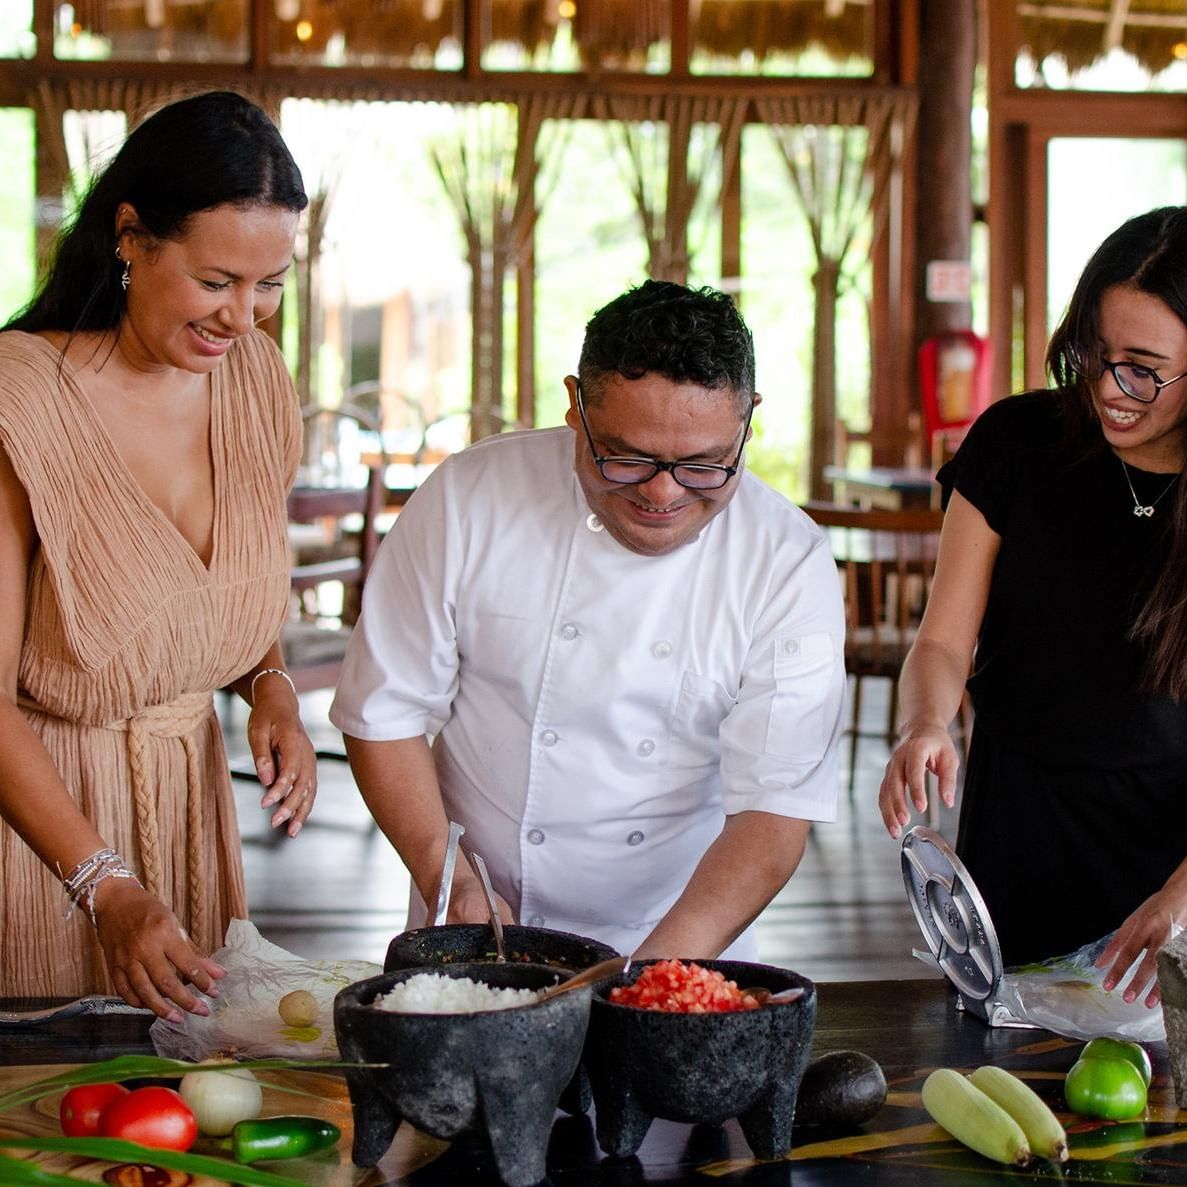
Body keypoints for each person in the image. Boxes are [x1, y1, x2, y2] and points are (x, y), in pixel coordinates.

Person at [331, 279, 845, 960]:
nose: (662, 492)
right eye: (625, 457)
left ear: (748, 420)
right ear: (575, 406)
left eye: (703, 465)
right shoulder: (469, 499)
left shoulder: (786, 559)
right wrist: (446, 876)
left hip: (680, 929)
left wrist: (653, 981)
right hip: (480, 923)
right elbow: (385, 714)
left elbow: (774, 809)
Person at [0, 91, 319, 1020]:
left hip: (190, 820)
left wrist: (272, 687)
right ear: (132, 237)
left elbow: (234, 597)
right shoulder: (23, 403)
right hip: (40, 841)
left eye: (270, 285)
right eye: (217, 281)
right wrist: (104, 883)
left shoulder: (255, 382)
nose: (245, 317)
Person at [879, 207, 1187, 1007]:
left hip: (1170, 856)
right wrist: (924, 723)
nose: (1107, 388)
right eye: (1094, 352)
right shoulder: (1016, 444)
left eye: (1142, 369)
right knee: (996, 1065)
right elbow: (943, 643)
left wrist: (1182, 896)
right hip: (1016, 825)